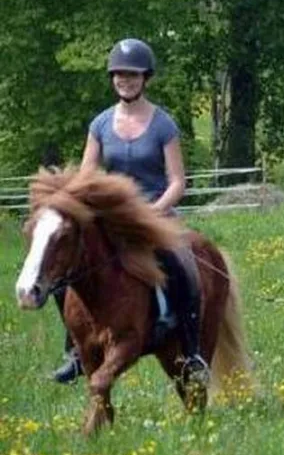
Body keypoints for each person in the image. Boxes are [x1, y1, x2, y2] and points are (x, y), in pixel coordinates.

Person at [52, 38, 207, 387]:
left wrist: (154, 211)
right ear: (113, 78)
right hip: (112, 220)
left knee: (182, 267)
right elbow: (86, 175)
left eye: (133, 75)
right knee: (62, 271)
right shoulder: (101, 124)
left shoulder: (163, 124)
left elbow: (177, 181)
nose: (126, 81)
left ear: (145, 78)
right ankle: (74, 351)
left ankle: (193, 351)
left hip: (155, 215)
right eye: (120, 75)